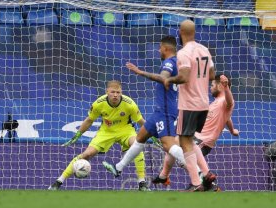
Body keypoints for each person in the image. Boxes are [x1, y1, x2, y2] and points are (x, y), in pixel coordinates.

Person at [102, 35, 186, 187]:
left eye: (160, 47)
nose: (158, 50)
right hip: (160, 110)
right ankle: (118, 168)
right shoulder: (177, 62)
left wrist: (140, 72)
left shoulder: (169, 62)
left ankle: (198, 172)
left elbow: (163, 78)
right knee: (140, 137)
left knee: (168, 145)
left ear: (165, 48)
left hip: (166, 111)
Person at [49, 80, 150, 191]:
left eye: (118, 92)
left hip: (125, 131)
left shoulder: (130, 104)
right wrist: (78, 134)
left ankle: (142, 183)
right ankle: (58, 182)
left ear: (121, 92)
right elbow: (89, 120)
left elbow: (141, 121)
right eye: (112, 92)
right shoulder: (99, 103)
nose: (115, 95)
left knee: (137, 145)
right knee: (86, 154)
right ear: (107, 92)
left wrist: (151, 134)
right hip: (105, 132)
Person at [155, 74, 239, 191]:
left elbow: (230, 103)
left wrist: (227, 88)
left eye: (213, 85)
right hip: (196, 137)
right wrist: (232, 130)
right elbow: (227, 118)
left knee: (183, 155)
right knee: (172, 146)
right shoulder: (216, 103)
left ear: (220, 86)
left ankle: (204, 184)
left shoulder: (225, 100)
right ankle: (164, 176)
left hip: (203, 141)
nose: (211, 87)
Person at [164, 19, 216, 191]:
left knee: (185, 141)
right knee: (189, 140)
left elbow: (184, 76)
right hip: (204, 103)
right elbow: (211, 75)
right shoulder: (204, 49)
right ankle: (207, 174)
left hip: (189, 104)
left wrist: (169, 79)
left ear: (181, 32)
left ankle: (195, 182)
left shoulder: (183, 53)